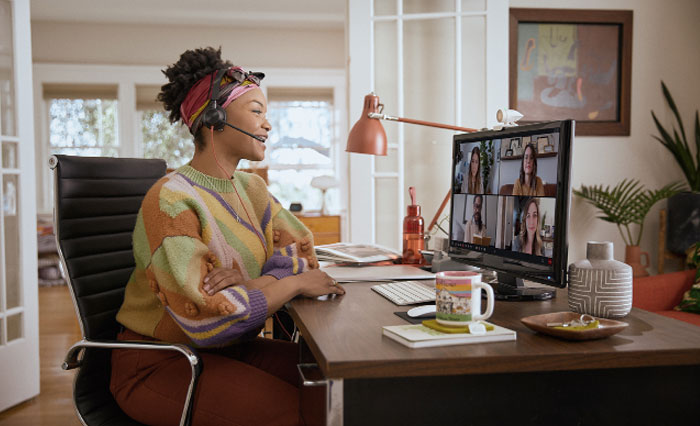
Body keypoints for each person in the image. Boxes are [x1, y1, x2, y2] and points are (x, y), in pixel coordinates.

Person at [110, 47, 345, 426]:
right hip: (160, 361)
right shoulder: (171, 200)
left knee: (338, 387)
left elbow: (301, 253)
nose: (268, 125)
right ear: (214, 117)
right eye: (256, 112)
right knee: (299, 414)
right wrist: (293, 283)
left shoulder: (252, 188)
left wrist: (254, 283)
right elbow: (209, 316)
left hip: (230, 348)